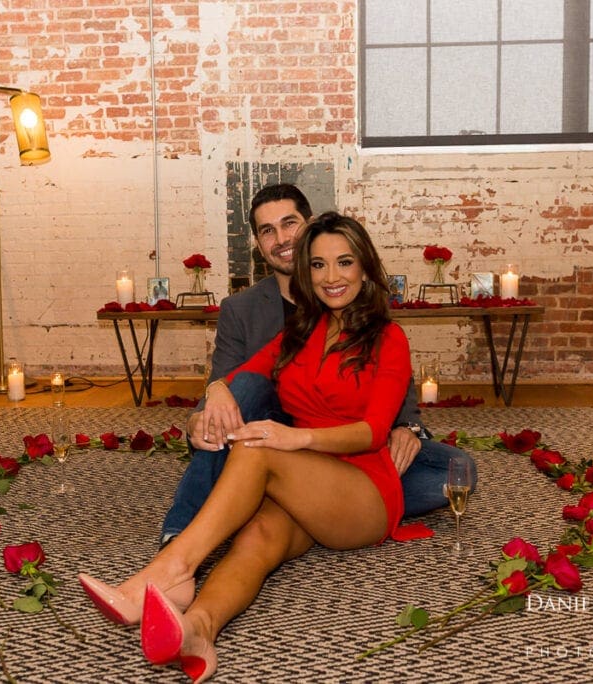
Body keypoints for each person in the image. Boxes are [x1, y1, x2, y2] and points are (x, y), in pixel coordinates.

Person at [80, 212, 417, 682]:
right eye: (318, 265)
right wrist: (216, 391)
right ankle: (198, 630)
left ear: (365, 267)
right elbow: (243, 374)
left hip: (364, 491)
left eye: (344, 262)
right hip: (306, 483)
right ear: (307, 273)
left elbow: (374, 431)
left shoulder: (389, 337)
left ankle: (170, 570)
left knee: (258, 444)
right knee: (256, 537)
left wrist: (295, 437)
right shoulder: (303, 331)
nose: (332, 277)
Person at [159, 184, 474, 547]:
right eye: (267, 231)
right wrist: (204, 407)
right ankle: (183, 527)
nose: (281, 238)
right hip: (270, 428)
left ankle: (292, 498)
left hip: (348, 436)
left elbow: (392, 381)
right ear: (258, 245)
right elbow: (224, 389)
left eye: (289, 223)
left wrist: (407, 427)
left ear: (309, 224)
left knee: (457, 471)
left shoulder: (357, 301)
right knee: (245, 386)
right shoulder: (241, 309)